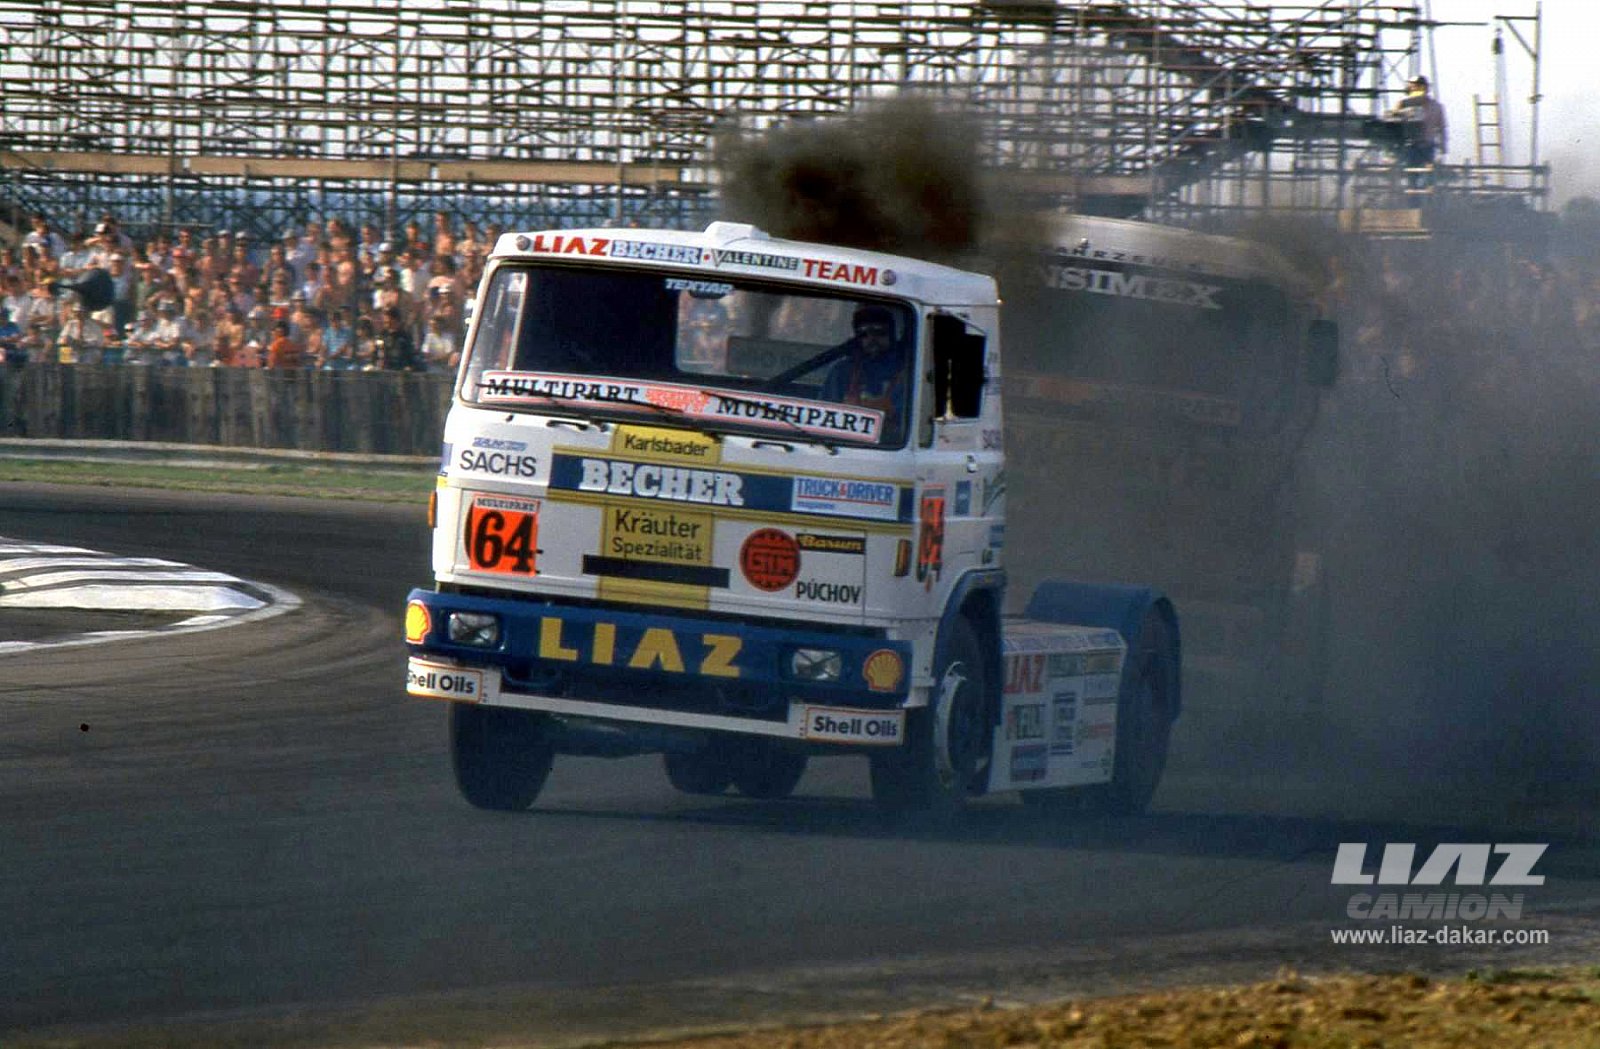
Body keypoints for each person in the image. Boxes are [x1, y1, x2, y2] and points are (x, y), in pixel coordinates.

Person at [820, 304, 910, 432]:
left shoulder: (909, 373)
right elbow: (825, 413)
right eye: (864, 334)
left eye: (879, 332)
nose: (872, 339)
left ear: (892, 335)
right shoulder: (842, 371)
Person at [1388, 75, 1447, 181]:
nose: (1414, 89)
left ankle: (1423, 188)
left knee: (1426, 175)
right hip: (1409, 146)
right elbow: (1392, 122)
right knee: (1411, 175)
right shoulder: (1403, 103)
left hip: (1425, 146)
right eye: (1413, 86)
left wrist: (1442, 147)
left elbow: (1442, 128)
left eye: (1416, 86)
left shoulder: (1435, 106)